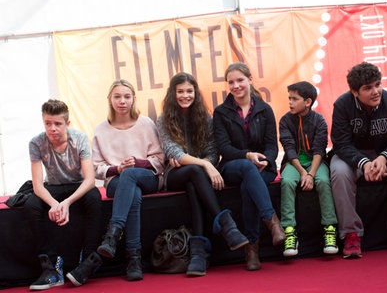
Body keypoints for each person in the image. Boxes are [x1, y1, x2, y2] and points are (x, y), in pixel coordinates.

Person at [157, 72, 248, 276]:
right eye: (180, 91)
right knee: (194, 171)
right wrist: (207, 166)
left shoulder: (204, 117)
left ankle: (198, 254)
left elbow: (212, 150)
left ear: (195, 93)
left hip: (194, 176)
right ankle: (226, 224)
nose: (185, 95)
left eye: (189, 91)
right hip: (173, 175)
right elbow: (174, 153)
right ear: (173, 93)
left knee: (193, 181)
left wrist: (206, 163)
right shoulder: (163, 119)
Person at [330, 61, 387, 259]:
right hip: (353, 155)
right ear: (354, 91)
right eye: (368, 88)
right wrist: (364, 162)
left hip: (385, 154)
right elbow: (341, 144)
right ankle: (351, 233)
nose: (376, 91)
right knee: (339, 171)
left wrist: (384, 158)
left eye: (378, 85)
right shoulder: (342, 105)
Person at [212, 62, 285, 271]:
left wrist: (264, 161)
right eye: (231, 82)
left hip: (263, 167)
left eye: (240, 80)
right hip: (233, 166)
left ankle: (251, 249)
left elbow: (272, 145)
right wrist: (248, 155)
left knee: (247, 188)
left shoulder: (265, 109)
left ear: (250, 80)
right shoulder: (221, 112)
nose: (236, 85)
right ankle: (273, 224)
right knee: (246, 167)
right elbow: (224, 148)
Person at [24, 99, 102, 290]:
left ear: (67, 124)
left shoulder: (80, 138)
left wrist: (66, 203)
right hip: (53, 187)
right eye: (48, 123)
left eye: (58, 124)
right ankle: (51, 269)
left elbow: (90, 180)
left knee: (94, 197)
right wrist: (54, 204)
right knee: (31, 204)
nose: (52, 128)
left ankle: (87, 262)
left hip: (77, 186)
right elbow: (37, 186)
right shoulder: (36, 143)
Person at [92, 79, 165, 281]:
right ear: (109, 99)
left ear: (134, 99)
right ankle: (134, 256)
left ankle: (113, 236)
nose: (122, 101)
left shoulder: (146, 123)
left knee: (131, 176)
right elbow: (96, 168)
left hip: (148, 177)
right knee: (132, 190)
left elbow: (160, 159)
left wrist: (137, 164)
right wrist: (118, 168)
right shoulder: (100, 129)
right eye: (117, 96)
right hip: (117, 181)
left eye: (126, 96)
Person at [278, 81, 338, 257]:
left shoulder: (319, 120)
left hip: (316, 163)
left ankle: (330, 229)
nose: (290, 102)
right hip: (293, 164)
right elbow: (288, 149)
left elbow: (320, 149)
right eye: (289, 98)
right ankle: (289, 231)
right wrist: (303, 173)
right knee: (287, 182)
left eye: (294, 99)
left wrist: (311, 173)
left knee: (324, 181)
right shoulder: (285, 120)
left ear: (308, 101)